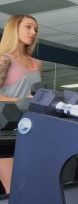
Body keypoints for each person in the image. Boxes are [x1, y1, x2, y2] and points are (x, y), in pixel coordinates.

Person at [0, 14, 41, 194]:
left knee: (30, 188)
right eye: (28, 27)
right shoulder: (4, 59)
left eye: (35, 29)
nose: (33, 32)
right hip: (5, 131)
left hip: (29, 130)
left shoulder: (37, 63)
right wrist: (20, 101)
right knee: (14, 190)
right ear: (14, 28)